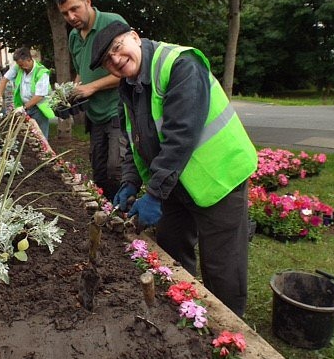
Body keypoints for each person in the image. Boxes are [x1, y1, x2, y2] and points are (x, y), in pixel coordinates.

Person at [90, 21, 257, 317]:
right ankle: (188, 313)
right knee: (171, 248)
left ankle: (231, 330)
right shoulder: (128, 87)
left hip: (219, 176)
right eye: (107, 60)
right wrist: (129, 181)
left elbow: (181, 137)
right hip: (176, 183)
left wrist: (153, 195)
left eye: (117, 48)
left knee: (221, 265)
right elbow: (134, 139)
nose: (115, 59)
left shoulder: (180, 65)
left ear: (135, 37)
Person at [56, 0, 128, 201]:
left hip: (118, 110)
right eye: (65, 13)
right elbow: (81, 74)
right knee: (99, 173)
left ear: (87, 1)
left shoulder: (113, 23)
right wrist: (70, 94)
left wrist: (92, 87)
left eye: (75, 8)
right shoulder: (74, 38)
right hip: (94, 115)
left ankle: (124, 214)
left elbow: (129, 70)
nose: (71, 16)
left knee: (117, 170)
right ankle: (107, 215)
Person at [0, 47, 55, 140]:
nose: (20, 67)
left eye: (22, 65)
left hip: (39, 109)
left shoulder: (42, 72)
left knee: (41, 138)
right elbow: (4, 79)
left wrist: (23, 108)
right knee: (28, 138)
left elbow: (39, 96)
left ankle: (46, 154)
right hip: (25, 107)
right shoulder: (18, 67)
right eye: (19, 65)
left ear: (29, 59)